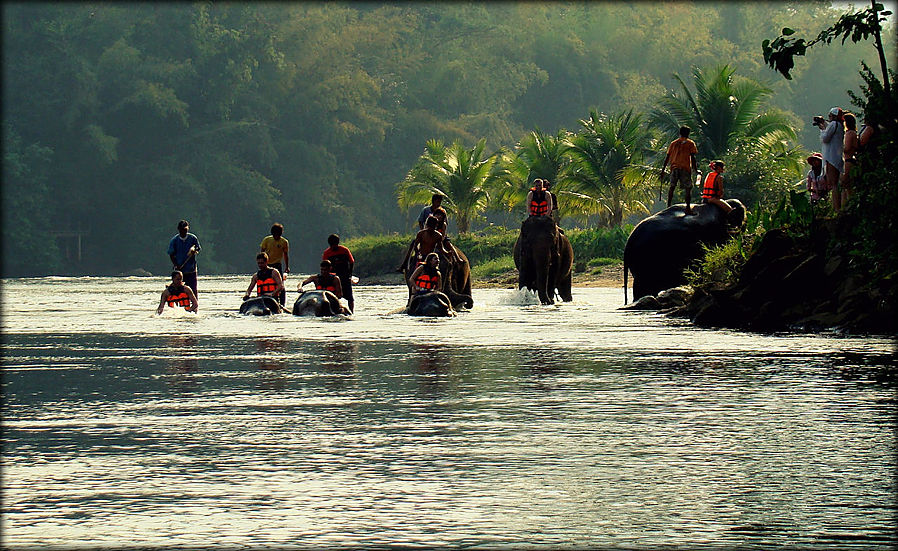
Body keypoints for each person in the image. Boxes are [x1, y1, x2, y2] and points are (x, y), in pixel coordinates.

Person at [661, 126, 699, 213]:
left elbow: (667, 157)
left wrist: (663, 169)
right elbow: (693, 158)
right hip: (685, 168)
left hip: (674, 167)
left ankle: (668, 206)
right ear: (688, 134)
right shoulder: (690, 143)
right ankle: (688, 208)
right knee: (688, 188)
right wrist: (695, 169)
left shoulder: (673, 143)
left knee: (672, 186)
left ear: (680, 133)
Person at [816, 107, 844, 211]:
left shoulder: (833, 124)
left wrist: (822, 128)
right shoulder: (839, 126)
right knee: (834, 184)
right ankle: (836, 207)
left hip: (831, 157)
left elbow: (825, 138)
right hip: (836, 156)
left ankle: (836, 208)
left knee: (833, 184)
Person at [321, 234, 355, 313]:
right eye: (332, 245)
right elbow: (324, 265)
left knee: (349, 297)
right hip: (333, 278)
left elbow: (351, 262)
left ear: (338, 243)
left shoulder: (344, 250)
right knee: (332, 296)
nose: (334, 246)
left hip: (345, 276)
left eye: (335, 244)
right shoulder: (327, 253)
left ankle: (351, 312)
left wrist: (350, 274)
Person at [167, 220, 201, 296]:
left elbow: (197, 248)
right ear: (179, 229)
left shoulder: (192, 238)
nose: (184, 232)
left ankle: (194, 306)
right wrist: (176, 265)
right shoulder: (174, 240)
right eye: (182, 230)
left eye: (185, 230)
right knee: (179, 290)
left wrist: (193, 251)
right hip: (180, 271)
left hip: (191, 269)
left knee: (193, 289)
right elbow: (171, 254)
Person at [260, 223, 289, 305]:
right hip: (267, 265)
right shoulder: (267, 240)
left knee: (281, 285)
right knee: (265, 283)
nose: (276, 236)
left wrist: (287, 267)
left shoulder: (284, 242)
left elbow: (286, 255)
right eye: (275, 235)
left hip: (277, 265)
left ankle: (282, 303)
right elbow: (262, 252)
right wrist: (262, 264)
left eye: (278, 235)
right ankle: (263, 299)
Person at [840, 112, 859, 206]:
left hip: (848, 161)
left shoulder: (849, 133)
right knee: (849, 186)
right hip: (852, 160)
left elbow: (847, 148)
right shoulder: (854, 133)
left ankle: (847, 205)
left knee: (846, 185)